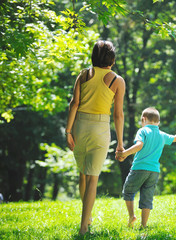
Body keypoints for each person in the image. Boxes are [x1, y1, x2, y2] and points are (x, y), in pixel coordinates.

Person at [65, 40, 125, 235]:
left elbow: (74, 104)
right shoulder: (117, 80)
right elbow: (118, 115)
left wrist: (68, 131)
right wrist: (121, 143)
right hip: (100, 128)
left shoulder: (83, 74)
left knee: (83, 173)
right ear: (112, 59)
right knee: (92, 178)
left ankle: (87, 218)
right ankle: (84, 227)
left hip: (80, 126)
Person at [116, 107, 176, 228]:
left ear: (143, 119)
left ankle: (131, 216)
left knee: (128, 191)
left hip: (139, 168)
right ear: (158, 122)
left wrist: (125, 153)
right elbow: (175, 138)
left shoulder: (143, 131)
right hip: (154, 171)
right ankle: (143, 225)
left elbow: (139, 145)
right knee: (147, 197)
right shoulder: (161, 134)